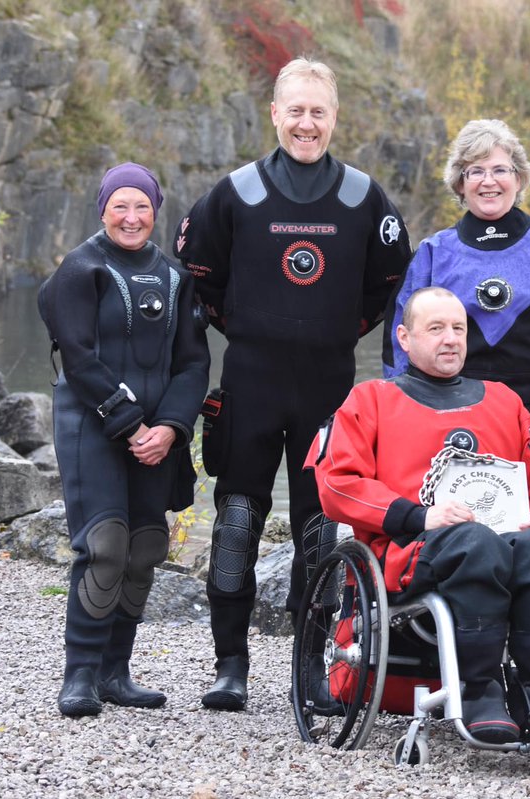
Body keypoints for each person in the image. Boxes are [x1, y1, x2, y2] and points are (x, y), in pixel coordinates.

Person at [172, 57, 411, 711]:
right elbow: (196, 275)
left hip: (329, 387)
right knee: (236, 524)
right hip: (250, 379)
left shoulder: (363, 197)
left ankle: (311, 673)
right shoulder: (236, 192)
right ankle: (230, 667)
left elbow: (391, 284)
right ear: (275, 113)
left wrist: (336, 330)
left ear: (335, 118)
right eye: (296, 110)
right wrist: (249, 328)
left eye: (319, 112)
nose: (307, 123)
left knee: (321, 530)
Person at [313, 287, 530, 744]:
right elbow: (338, 483)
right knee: (474, 542)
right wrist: (418, 516)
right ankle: (479, 691)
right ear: (404, 337)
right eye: (435, 328)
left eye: (458, 328)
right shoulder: (370, 400)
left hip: (500, 541)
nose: (451, 338)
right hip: (408, 549)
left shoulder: (503, 401)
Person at [38, 162, 210, 717]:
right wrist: (132, 425)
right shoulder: (81, 269)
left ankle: (115, 673)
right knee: (105, 545)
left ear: (155, 211)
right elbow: (78, 359)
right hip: (91, 425)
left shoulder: (176, 277)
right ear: (103, 210)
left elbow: (192, 363)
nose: (132, 217)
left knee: (145, 548)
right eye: (120, 206)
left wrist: (171, 428)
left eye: (142, 207)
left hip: (156, 435)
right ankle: (79, 676)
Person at [383, 119, 530, 454]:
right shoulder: (434, 253)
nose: (489, 181)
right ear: (460, 184)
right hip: (448, 420)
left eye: (500, 170)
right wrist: (404, 408)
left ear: (519, 178)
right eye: (476, 171)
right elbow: (398, 339)